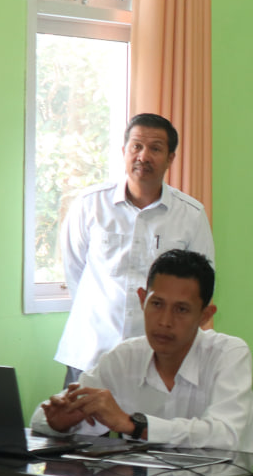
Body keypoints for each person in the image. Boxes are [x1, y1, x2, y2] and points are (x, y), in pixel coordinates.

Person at [32, 250, 253, 476]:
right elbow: (43, 417)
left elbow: (223, 434)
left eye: (181, 309)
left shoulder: (229, 354)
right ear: (142, 300)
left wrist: (135, 426)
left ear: (205, 315)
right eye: (157, 304)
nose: (165, 321)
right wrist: (58, 423)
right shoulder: (123, 358)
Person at [55, 113, 214, 386]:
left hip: (156, 358)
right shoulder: (90, 205)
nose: (143, 156)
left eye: (155, 148)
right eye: (136, 146)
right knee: (78, 415)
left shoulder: (190, 215)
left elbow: (201, 284)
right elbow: (75, 272)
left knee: (150, 416)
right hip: (91, 352)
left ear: (171, 158)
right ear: (123, 151)